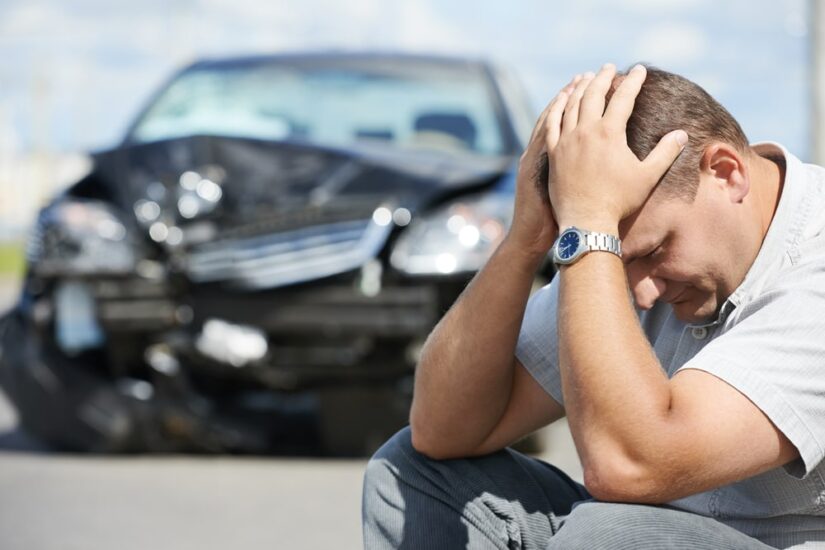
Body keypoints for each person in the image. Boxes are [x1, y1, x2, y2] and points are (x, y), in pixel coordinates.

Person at [361, 63, 825, 549]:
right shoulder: (611, 247)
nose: (642, 294)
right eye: (618, 262)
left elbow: (627, 466)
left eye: (653, 252)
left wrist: (591, 229)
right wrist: (525, 239)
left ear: (726, 174)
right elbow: (442, 429)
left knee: (608, 534)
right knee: (410, 474)